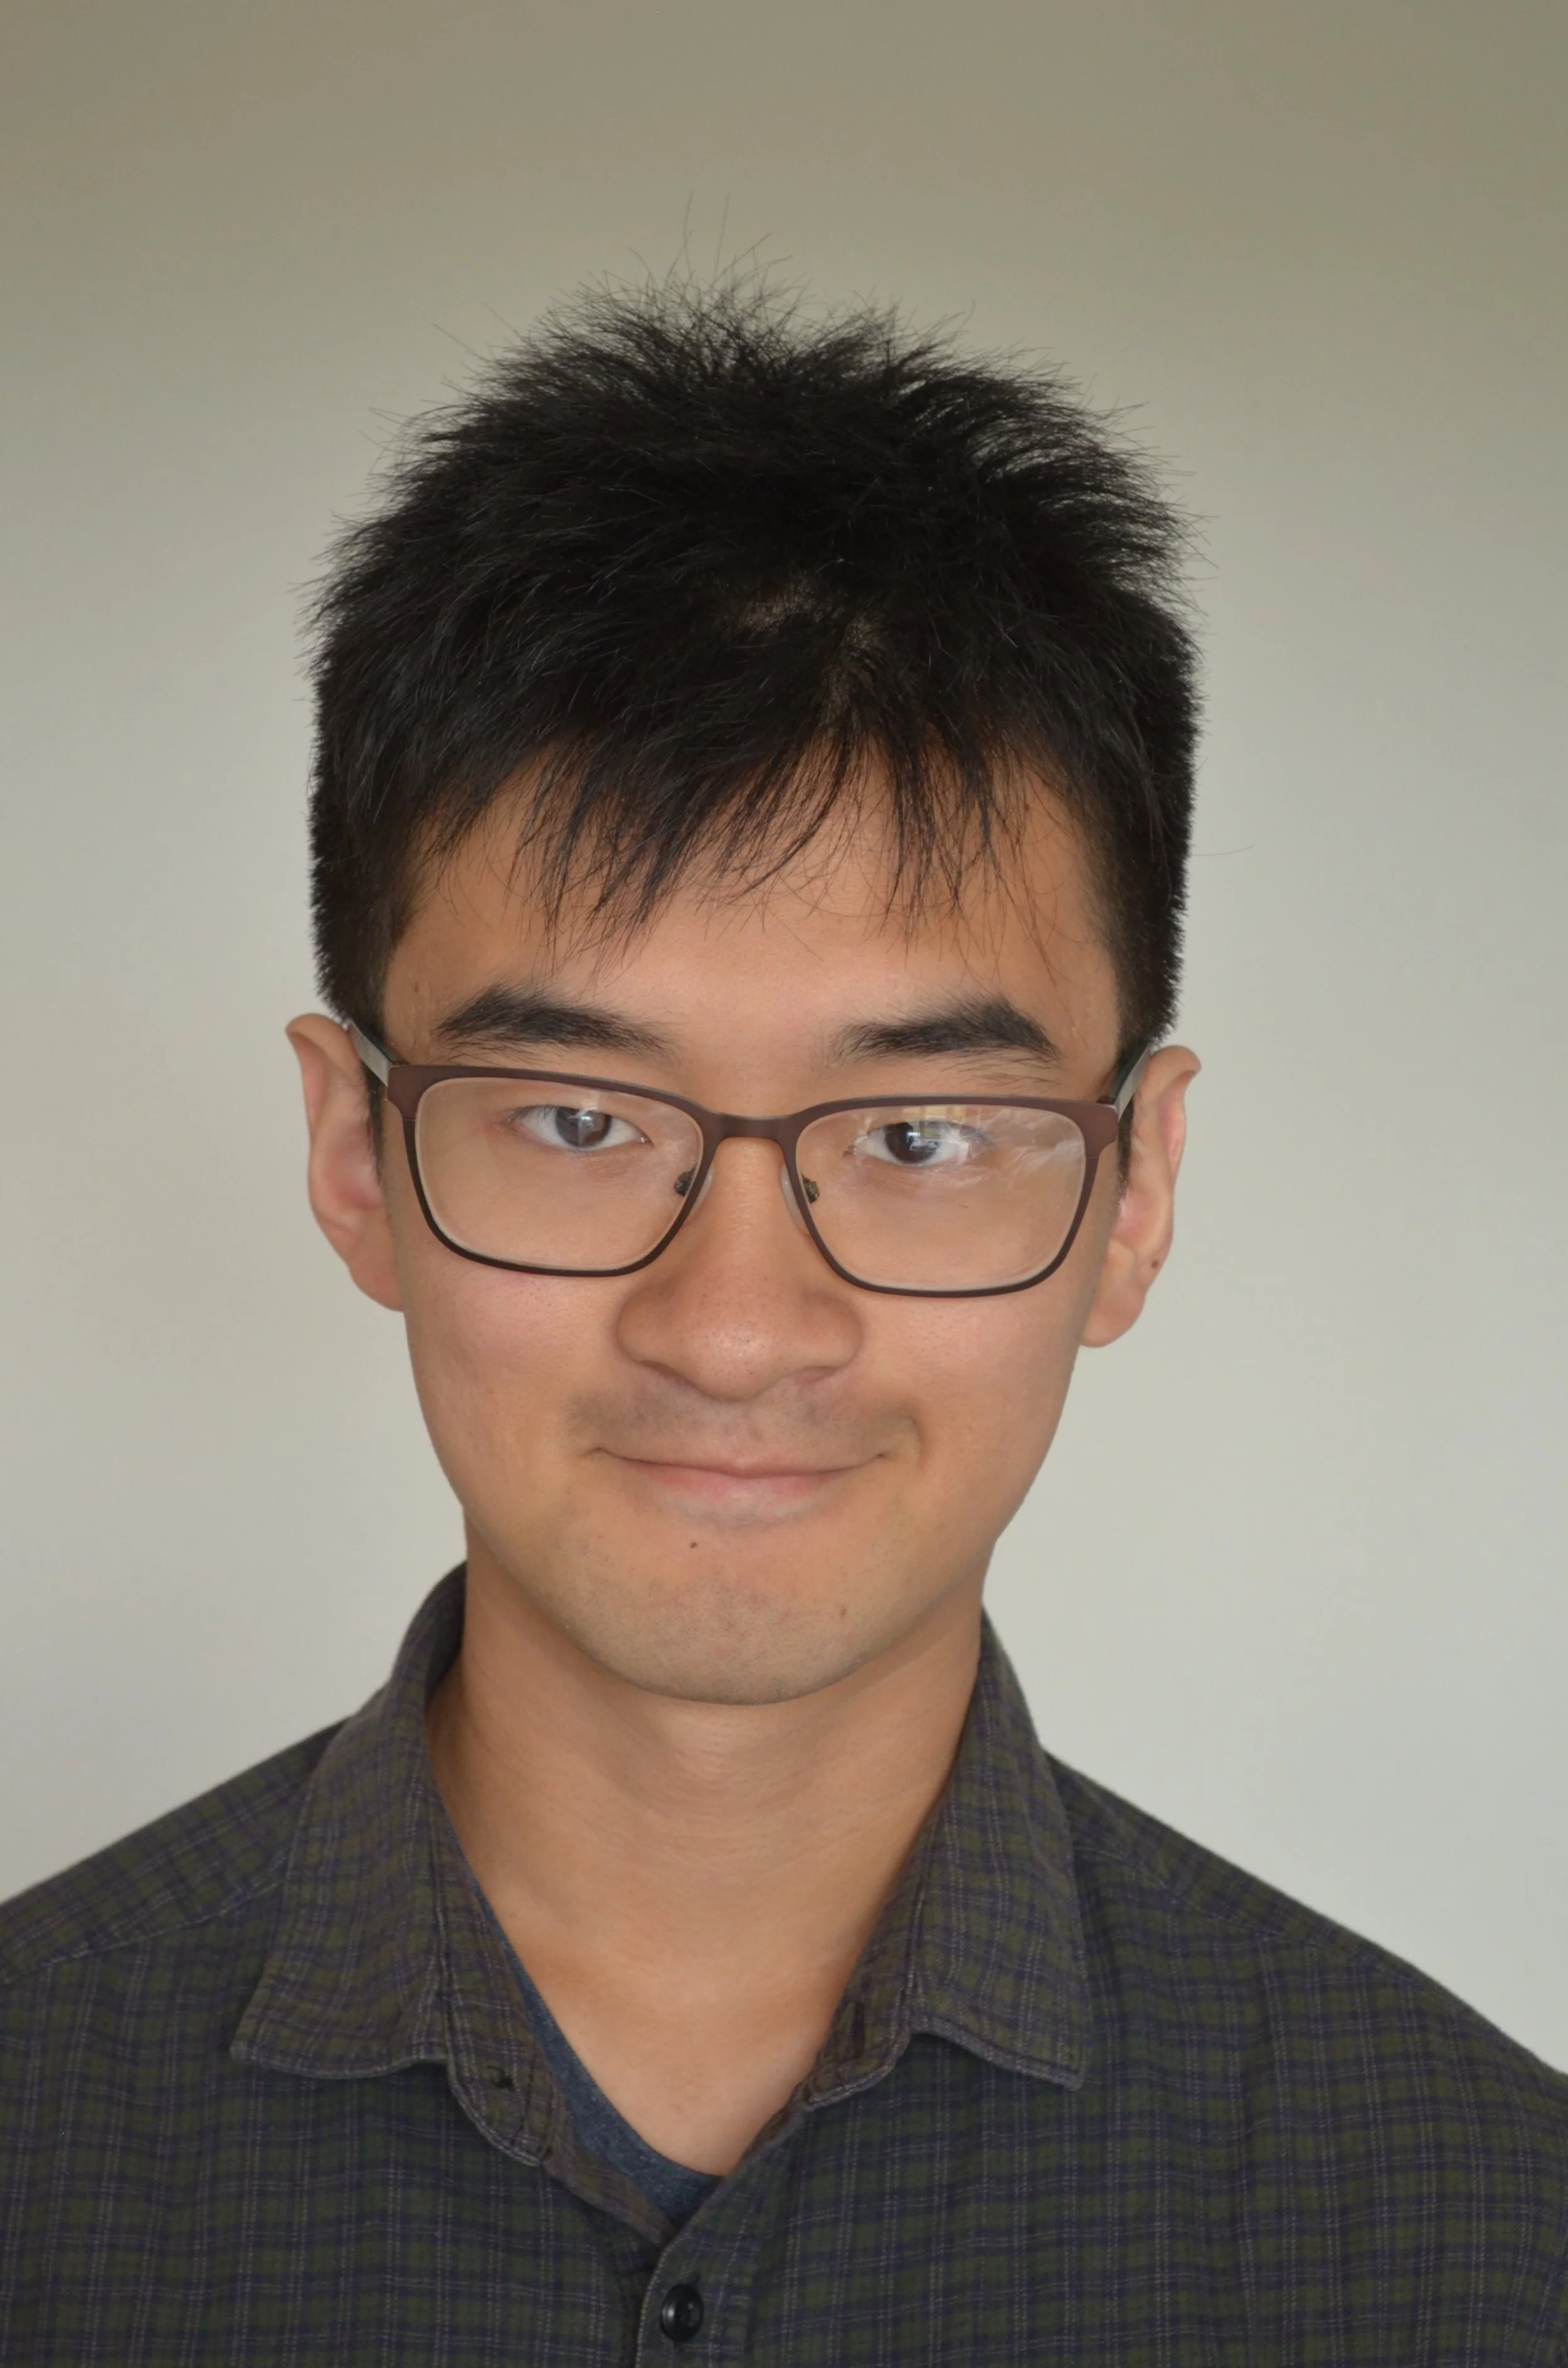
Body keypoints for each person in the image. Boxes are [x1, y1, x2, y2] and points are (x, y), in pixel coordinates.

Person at [1, 280, 1562, 2367]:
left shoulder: (1476, 2225)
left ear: (1134, 1193)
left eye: (920, 1129)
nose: (735, 1327)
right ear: (356, 1155)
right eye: (573, 1115)